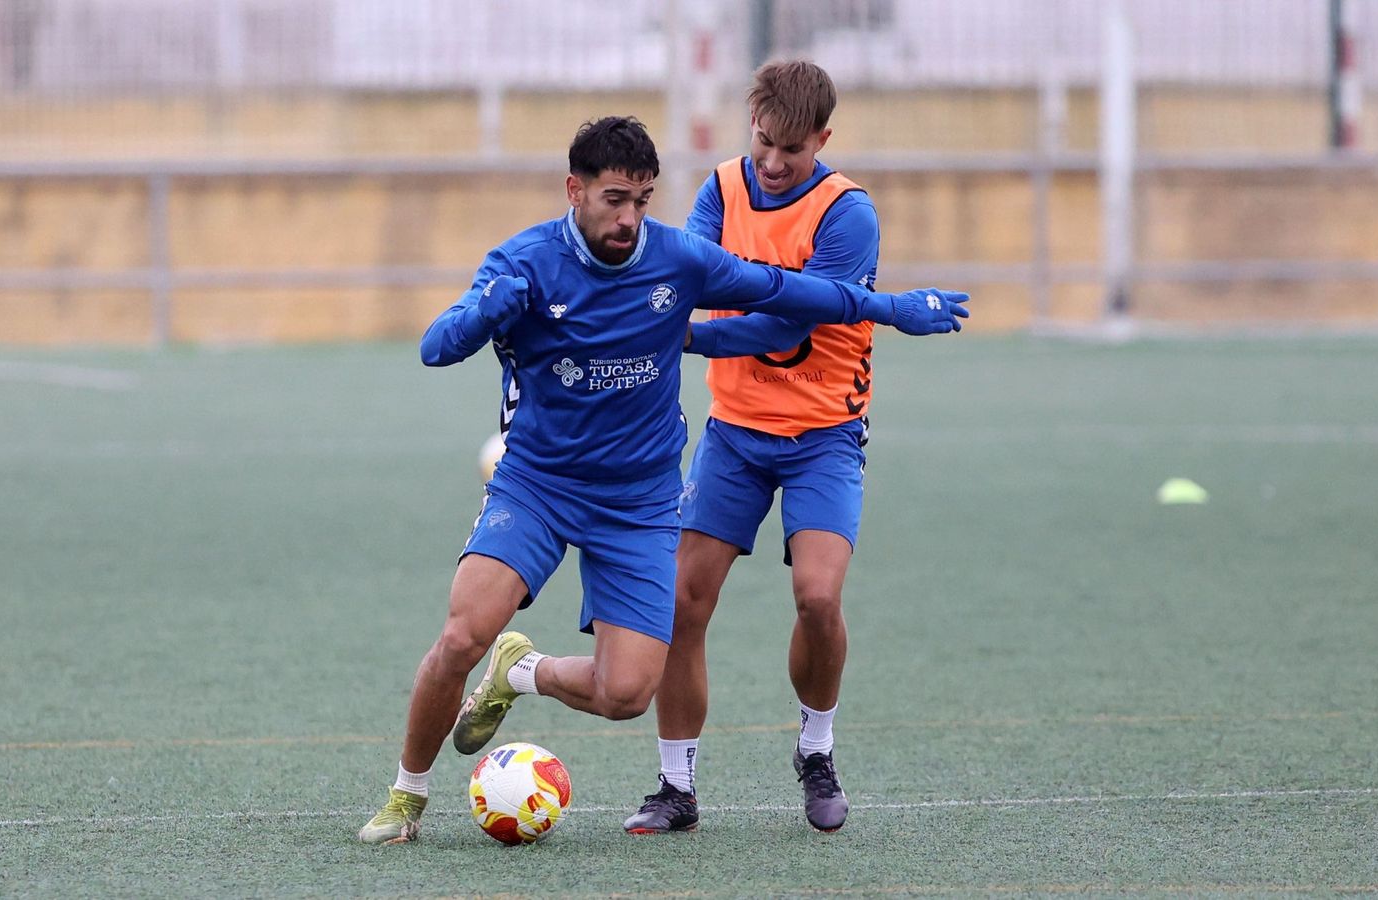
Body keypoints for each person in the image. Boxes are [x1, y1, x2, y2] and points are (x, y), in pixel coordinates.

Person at [357, 115, 968, 845]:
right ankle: (406, 798)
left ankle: (522, 672)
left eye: (642, 200)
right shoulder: (522, 262)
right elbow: (436, 347)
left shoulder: (677, 258)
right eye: (614, 198)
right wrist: (482, 312)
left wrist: (889, 309)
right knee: (461, 635)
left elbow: (788, 292)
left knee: (625, 694)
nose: (629, 218)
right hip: (537, 487)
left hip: (639, 503)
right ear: (574, 189)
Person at [622, 60, 884, 835]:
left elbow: (783, 324)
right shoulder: (721, 189)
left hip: (823, 436)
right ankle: (676, 787)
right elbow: (694, 275)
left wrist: (685, 337)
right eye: (763, 142)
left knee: (818, 596)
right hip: (735, 434)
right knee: (679, 602)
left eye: (791, 151)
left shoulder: (848, 213)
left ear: (824, 140)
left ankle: (817, 749)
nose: (772, 164)